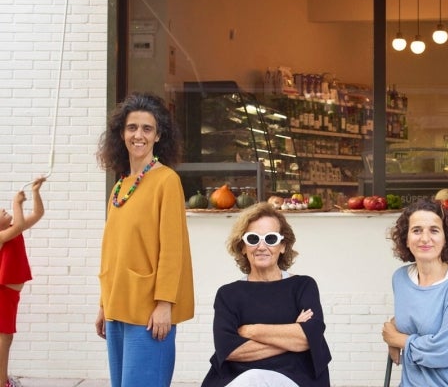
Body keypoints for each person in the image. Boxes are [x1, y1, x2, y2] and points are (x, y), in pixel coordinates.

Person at [94, 92, 194, 387]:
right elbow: (112, 250)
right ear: (121, 133)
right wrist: (103, 304)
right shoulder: (120, 187)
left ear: (159, 135)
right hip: (117, 307)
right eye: (132, 127)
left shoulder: (166, 181)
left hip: (149, 312)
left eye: (147, 128)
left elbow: (172, 250)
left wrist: (165, 304)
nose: (138, 135)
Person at [201, 202, 331, 387]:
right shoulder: (228, 294)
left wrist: (251, 331)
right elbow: (229, 350)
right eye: (253, 239)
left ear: (283, 246)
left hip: (295, 377)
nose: (261, 246)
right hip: (237, 378)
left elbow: (309, 338)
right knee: (253, 379)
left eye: (270, 239)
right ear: (243, 247)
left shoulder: (303, 285)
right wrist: (291, 334)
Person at [382, 199, 448, 387]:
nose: (425, 238)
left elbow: (447, 350)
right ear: (406, 239)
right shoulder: (400, 279)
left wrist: (399, 340)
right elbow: (413, 316)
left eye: (434, 230)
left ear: (446, 238)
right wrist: (391, 331)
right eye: (416, 230)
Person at [0, 178, 45, 387]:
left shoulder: (11, 229)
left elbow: (37, 214)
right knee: (4, 338)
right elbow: (18, 225)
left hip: (10, 296)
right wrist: (16, 203)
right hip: (3, 295)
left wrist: (35, 193)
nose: (3, 211)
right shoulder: (2, 236)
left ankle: (3, 380)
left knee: (5, 337)